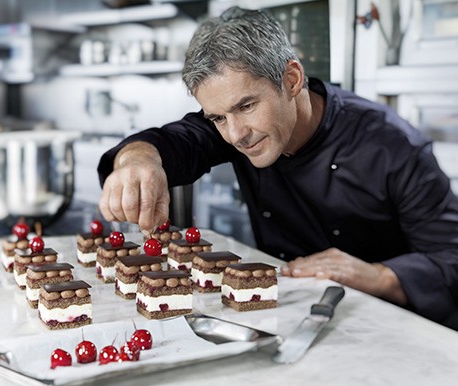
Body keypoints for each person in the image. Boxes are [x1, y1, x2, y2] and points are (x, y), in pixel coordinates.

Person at [97, 7, 458, 327]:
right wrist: (138, 159)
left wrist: (379, 276)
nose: (236, 134)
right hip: (285, 313)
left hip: (391, 327)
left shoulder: (392, 145)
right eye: (218, 117)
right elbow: (174, 141)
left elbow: (451, 259)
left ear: (292, 79)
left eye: (247, 106)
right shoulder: (236, 129)